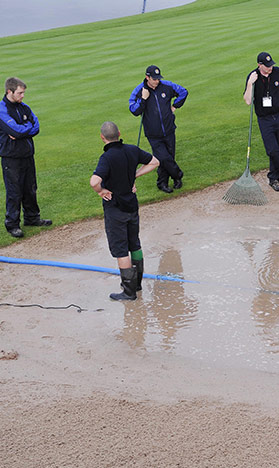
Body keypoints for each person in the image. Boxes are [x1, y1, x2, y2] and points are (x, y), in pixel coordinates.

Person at [90, 121, 159, 301]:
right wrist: (134, 175)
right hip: (131, 205)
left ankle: (128, 292)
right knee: (134, 242)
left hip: (115, 209)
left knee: (121, 249)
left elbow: (94, 181)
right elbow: (154, 162)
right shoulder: (132, 150)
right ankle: (136, 284)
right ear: (119, 133)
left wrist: (101, 191)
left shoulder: (106, 158)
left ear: (102, 137)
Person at [0, 77, 52, 238]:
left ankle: (32, 218)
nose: (23, 96)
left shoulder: (24, 107)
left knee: (30, 188)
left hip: (27, 155)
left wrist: (21, 132)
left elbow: (36, 126)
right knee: (14, 191)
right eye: (20, 93)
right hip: (11, 158)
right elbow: (17, 131)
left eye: (23, 92)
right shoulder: (1, 110)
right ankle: (12, 224)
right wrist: (23, 131)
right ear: (9, 92)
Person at [129, 65, 188, 194]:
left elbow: (183, 92)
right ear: (147, 77)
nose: (157, 81)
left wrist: (175, 106)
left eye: (158, 78)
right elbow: (134, 110)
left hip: (169, 129)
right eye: (154, 79)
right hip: (153, 134)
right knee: (163, 158)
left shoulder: (166, 86)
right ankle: (178, 175)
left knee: (169, 157)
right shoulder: (139, 90)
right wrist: (144, 99)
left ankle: (163, 183)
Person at [243, 52, 279, 192]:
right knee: (272, 149)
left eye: (271, 64)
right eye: (267, 66)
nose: (270, 68)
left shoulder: (277, 72)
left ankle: (275, 178)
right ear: (260, 65)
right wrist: (249, 84)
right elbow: (248, 101)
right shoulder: (253, 77)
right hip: (264, 119)